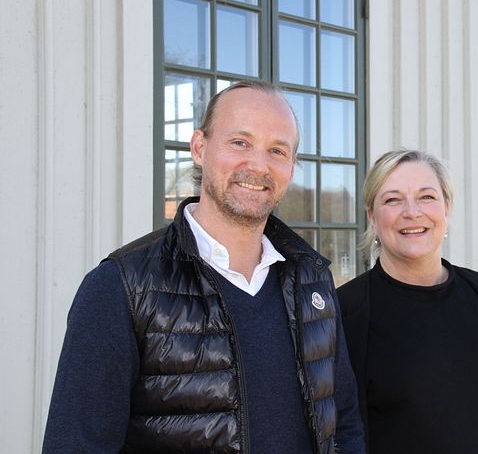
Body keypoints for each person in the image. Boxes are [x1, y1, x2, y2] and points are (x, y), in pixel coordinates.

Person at [42, 81, 365, 454]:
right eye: (240, 142)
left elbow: (344, 422)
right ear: (199, 148)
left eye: (277, 150)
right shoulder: (121, 287)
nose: (258, 165)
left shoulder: (313, 281)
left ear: (291, 167)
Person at [338, 149, 478, 454]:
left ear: (447, 208)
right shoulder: (347, 314)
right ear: (372, 217)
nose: (412, 212)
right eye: (392, 199)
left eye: (427, 197)